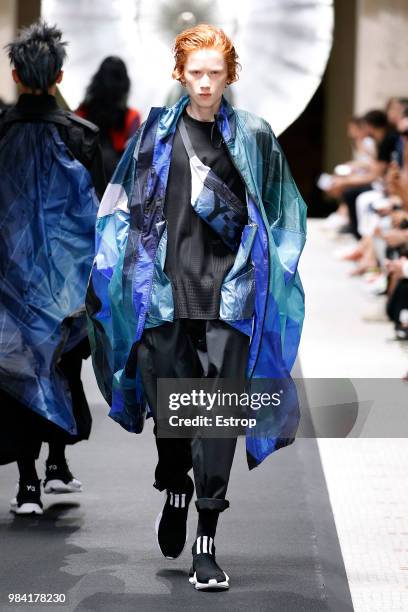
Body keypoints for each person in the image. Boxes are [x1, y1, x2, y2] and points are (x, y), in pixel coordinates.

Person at [86, 24, 307, 590]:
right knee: (174, 415)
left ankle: (207, 539)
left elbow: (284, 212)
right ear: (179, 74)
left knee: (217, 418)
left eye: (215, 73)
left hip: (228, 298)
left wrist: (269, 271)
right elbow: (122, 208)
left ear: (230, 75)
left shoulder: (255, 136)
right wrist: (109, 272)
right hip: (163, 296)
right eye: (195, 72)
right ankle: (174, 479)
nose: (205, 83)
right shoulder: (155, 133)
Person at [0, 21, 105, 515]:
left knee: (20, 372)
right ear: (60, 73)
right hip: (67, 281)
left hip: (9, 279)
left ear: (15, 72)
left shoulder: (0, 133)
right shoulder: (83, 138)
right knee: (64, 363)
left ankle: (27, 487)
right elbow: (99, 216)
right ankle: (57, 463)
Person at [76, 56, 141, 181]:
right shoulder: (132, 117)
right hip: (114, 188)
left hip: (82, 183)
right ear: (125, 85)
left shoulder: (81, 113)